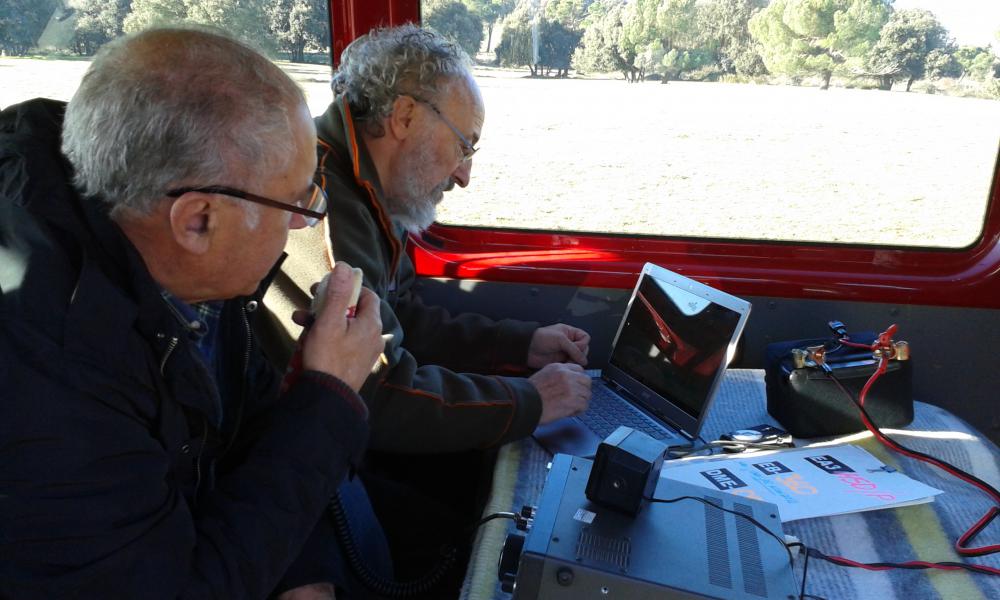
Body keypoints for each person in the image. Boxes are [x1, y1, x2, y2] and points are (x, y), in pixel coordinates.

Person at [0, 28, 389, 599]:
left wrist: (307, 572)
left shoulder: (185, 266)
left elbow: (244, 432)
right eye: (295, 201)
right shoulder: (52, 370)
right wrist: (329, 394)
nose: (306, 222)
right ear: (198, 221)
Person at [261, 24, 594, 591]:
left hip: (340, 448)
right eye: (465, 146)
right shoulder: (324, 207)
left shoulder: (367, 191)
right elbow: (377, 391)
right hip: (299, 463)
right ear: (405, 117)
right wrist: (531, 401)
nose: (464, 175)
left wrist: (519, 344)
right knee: (464, 546)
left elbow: (402, 319)